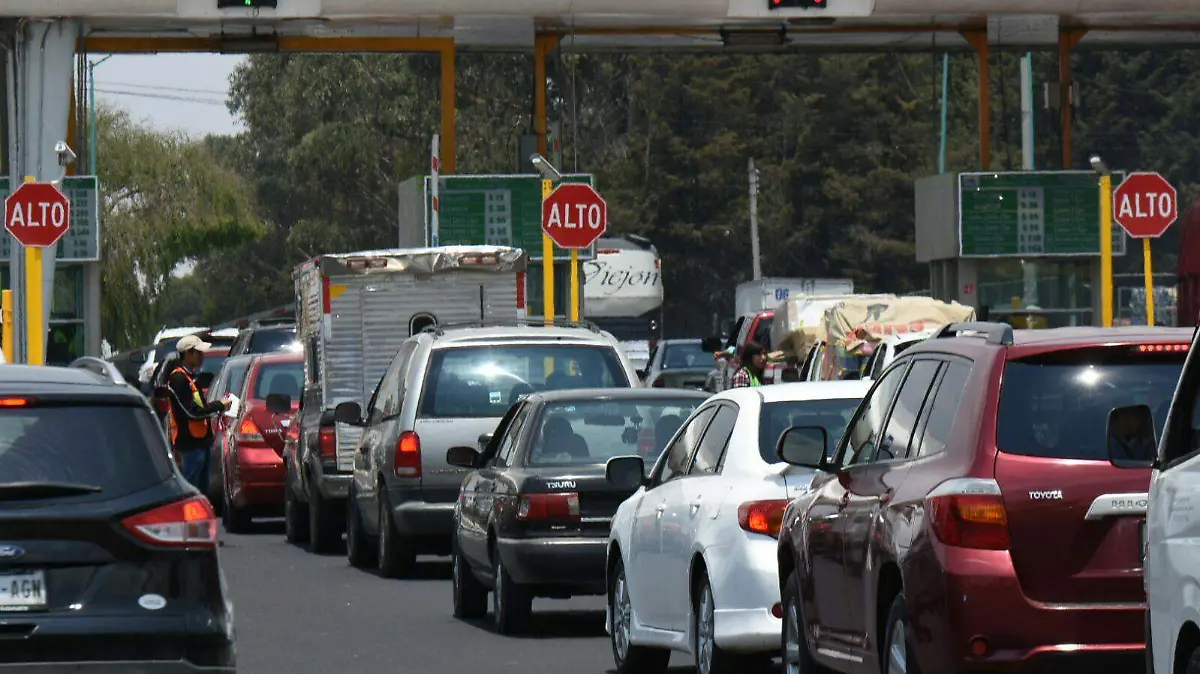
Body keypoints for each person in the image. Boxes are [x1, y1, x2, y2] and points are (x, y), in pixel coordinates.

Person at [165, 335, 229, 492]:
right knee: (190, 491)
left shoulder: (190, 378)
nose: (202, 356)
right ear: (188, 353)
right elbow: (191, 412)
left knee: (202, 491)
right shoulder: (178, 379)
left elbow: (199, 407)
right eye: (198, 353)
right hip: (189, 446)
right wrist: (218, 405)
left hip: (201, 443)